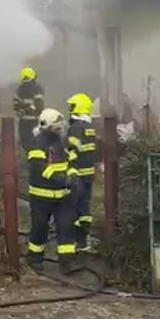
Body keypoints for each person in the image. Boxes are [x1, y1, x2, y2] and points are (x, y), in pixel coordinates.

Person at [26, 108, 80, 274]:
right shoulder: (36, 142)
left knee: (66, 228)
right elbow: (38, 166)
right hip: (41, 196)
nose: (59, 129)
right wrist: (58, 178)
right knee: (40, 228)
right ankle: (34, 259)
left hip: (63, 197)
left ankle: (67, 263)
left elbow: (71, 162)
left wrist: (72, 176)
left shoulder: (63, 142)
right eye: (56, 126)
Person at [66, 93, 98, 254]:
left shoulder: (75, 128)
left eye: (71, 106)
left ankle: (72, 242)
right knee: (84, 209)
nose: (69, 110)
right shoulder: (90, 128)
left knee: (71, 208)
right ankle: (84, 240)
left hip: (76, 173)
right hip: (88, 174)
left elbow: (70, 151)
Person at [14, 67, 45, 152]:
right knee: (36, 143)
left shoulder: (19, 89)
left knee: (25, 142)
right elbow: (40, 106)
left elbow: (16, 106)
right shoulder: (37, 88)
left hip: (23, 122)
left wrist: (22, 112)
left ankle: (27, 158)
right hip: (35, 121)